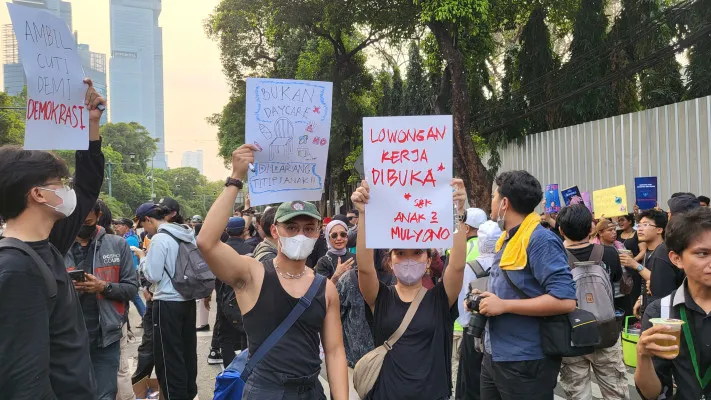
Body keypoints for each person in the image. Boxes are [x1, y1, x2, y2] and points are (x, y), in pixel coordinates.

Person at [197, 144, 348, 399]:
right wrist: (236, 178)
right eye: (292, 227)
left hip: (311, 391)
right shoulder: (252, 275)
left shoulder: (326, 288)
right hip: (265, 392)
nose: (300, 234)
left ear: (317, 234)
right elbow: (206, 243)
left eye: (308, 228)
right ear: (275, 231)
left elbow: (334, 351)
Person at [0, 79, 105, 399]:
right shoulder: (15, 269)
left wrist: (91, 125)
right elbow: (23, 378)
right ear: (38, 194)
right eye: (60, 183)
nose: (68, 190)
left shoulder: (48, 243)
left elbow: (88, 186)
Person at [350, 178, 468, 400]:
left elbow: (458, 265)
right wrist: (364, 214)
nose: (408, 259)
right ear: (390, 261)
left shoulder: (440, 298)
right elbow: (365, 269)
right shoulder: (380, 297)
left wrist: (458, 211)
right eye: (400, 254)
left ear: (428, 260)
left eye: (416, 253)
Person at [478, 170, 577, 400]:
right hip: (494, 355)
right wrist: (485, 297)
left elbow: (565, 300)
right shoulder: (507, 238)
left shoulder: (540, 239)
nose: (490, 203)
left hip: (525, 361)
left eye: (493, 197)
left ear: (504, 203)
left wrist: (504, 305)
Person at [65, 200, 139, 399]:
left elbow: (132, 288)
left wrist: (103, 287)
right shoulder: (56, 245)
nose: (82, 225)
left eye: (87, 220)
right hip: (66, 338)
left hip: (105, 337)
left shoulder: (117, 244)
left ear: (98, 216)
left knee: (104, 394)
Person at [635, 207, 711, 400]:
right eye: (703, 253)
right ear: (676, 259)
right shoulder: (661, 312)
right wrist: (643, 356)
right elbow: (653, 394)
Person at [556, 205, 628, 400]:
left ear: (561, 230)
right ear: (591, 228)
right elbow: (617, 282)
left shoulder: (555, 257)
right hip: (607, 332)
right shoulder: (610, 253)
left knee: (578, 393)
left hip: (571, 335)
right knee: (616, 392)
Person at [131, 203, 199, 400]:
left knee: (168, 356)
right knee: (187, 351)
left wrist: (143, 257)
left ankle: (173, 395)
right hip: (187, 299)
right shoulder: (185, 233)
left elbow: (153, 275)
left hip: (167, 302)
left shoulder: (160, 238)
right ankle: (188, 392)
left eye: (144, 225)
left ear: (149, 220)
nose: (145, 230)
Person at [455, 219, 501, 400]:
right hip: (500, 326)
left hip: (473, 328)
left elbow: (462, 299)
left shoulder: (470, 266)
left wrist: (465, 323)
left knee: (472, 377)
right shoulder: (505, 262)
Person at [620, 210, 685, 318]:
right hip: (649, 306)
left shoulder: (664, 252)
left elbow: (660, 282)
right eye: (639, 225)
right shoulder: (648, 251)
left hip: (662, 313)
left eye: (645, 225)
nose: (640, 229)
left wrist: (635, 265)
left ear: (659, 229)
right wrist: (642, 298)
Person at [209, 216, 254, 367]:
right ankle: (245, 368)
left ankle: (229, 370)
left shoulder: (220, 250)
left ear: (227, 230)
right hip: (247, 297)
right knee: (246, 333)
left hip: (224, 298)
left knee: (226, 337)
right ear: (245, 230)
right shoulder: (251, 249)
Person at [114, 217, 147, 318]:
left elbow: (130, 259)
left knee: (134, 296)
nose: (116, 227)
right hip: (132, 271)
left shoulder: (129, 240)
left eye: (119, 225)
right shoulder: (129, 238)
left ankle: (146, 317)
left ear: (126, 227)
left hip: (130, 271)